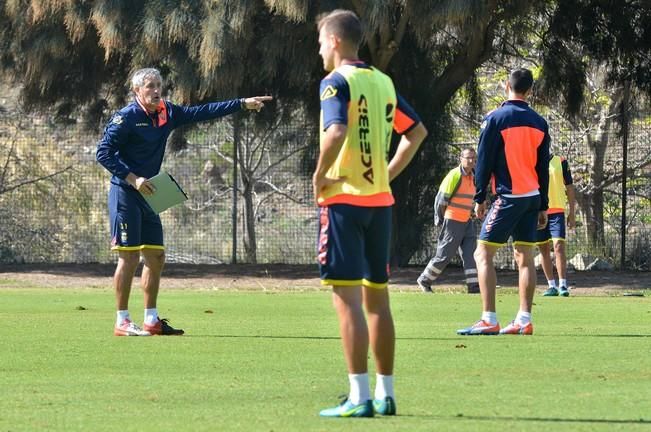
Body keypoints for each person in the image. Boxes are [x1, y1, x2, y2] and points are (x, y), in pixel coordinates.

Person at [96, 67, 271, 337]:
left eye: (159, 85)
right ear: (137, 91)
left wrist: (241, 104)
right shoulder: (126, 118)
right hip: (126, 192)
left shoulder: (168, 113)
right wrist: (133, 179)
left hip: (151, 192)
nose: (156, 90)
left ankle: (152, 320)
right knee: (129, 257)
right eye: (150, 86)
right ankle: (122, 321)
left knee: (156, 256)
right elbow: (103, 153)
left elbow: (203, 111)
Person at [313, 10, 427, 418]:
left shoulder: (335, 82)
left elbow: (337, 131)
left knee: (347, 301)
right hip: (380, 205)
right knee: (378, 300)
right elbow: (416, 132)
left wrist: (319, 175)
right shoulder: (384, 82)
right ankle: (385, 393)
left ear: (337, 42)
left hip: (344, 202)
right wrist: (387, 172)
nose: (320, 49)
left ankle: (358, 397)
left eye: (322, 41)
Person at [457, 68, 550, 336]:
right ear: (530, 90)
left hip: (509, 197)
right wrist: (543, 204)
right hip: (532, 197)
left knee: (482, 253)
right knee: (525, 257)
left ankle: (488, 318)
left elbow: (484, 161)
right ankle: (524, 319)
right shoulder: (539, 122)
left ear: (505, 85)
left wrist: (479, 198)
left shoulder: (495, 118)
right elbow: (542, 167)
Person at [417, 147, 480, 294]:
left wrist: (472, 212)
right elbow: (440, 200)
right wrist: (440, 219)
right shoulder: (454, 175)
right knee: (444, 254)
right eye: (468, 158)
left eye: (474, 158)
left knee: (471, 254)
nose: (471, 161)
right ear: (461, 158)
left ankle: (473, 286)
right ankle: (424, 280)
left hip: (467, 221)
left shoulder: (475, 176)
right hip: (453, 221)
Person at [537, 154, 576, 297]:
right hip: (539, 212)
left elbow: (570, 187)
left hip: (557, 210)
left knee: (559, 245)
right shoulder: (533, 160)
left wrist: (572, 213)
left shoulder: (561, 161)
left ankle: (563, 285)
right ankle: (551, 285)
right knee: (543, 248)